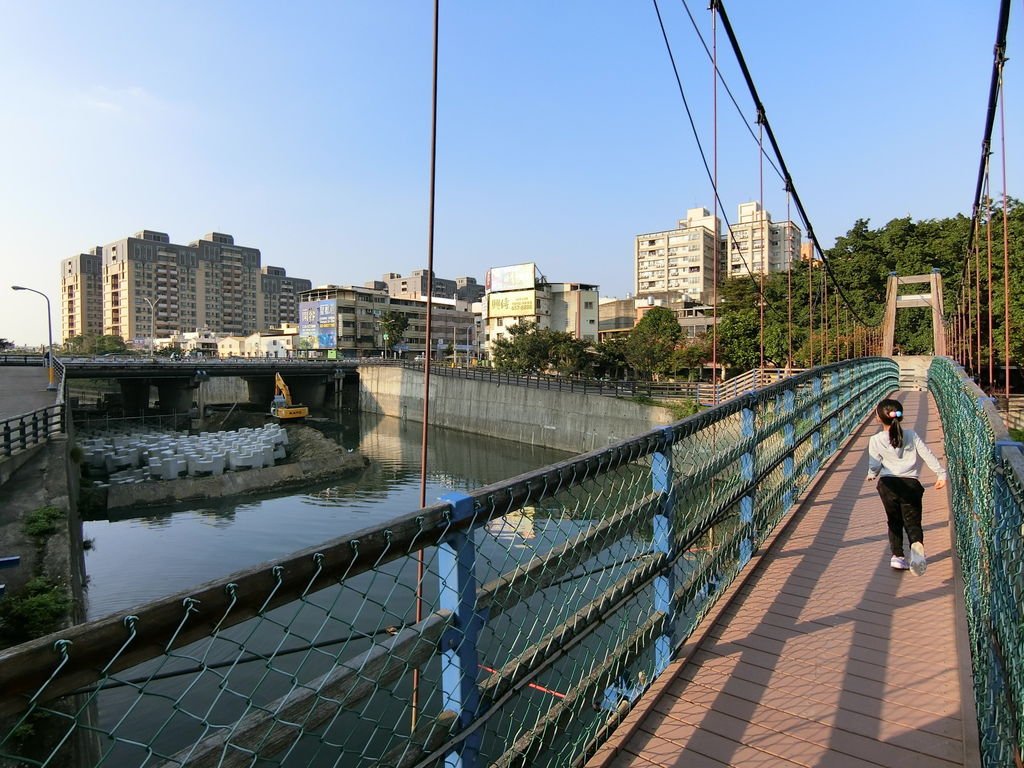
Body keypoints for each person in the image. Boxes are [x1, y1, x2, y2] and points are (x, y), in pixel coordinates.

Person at [866, 398, 947, 575]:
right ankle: (916, 548)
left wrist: (872, 474)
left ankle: (897, 556)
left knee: (894, 520)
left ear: (879, 418)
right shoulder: (911, 435)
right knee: (913, 521)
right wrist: (940, 473)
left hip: (888, 485)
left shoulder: (875, 439)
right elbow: (927, 454)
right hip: (910, 484)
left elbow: (874, 465)